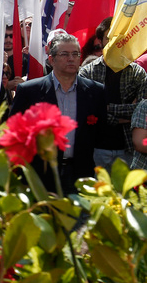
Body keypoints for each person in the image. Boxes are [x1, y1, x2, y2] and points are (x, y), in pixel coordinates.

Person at [11, 32, 106, 194]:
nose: (71, 58)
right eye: (65, 54)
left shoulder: (95, 91)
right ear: (51, 59)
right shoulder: (30, 91)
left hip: (81, 174)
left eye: (75, 54)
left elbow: (100, 134)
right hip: (40, 174)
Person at [79, 22, 147, 169]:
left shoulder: (137, 73)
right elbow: (87, 110)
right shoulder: (87, 72)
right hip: (96, 148)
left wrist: (106, 109)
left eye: (118, 38)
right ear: (100, 41)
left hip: (128, 148)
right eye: (109, 38)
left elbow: (141, 110)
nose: (115, 43)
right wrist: (123, 116)